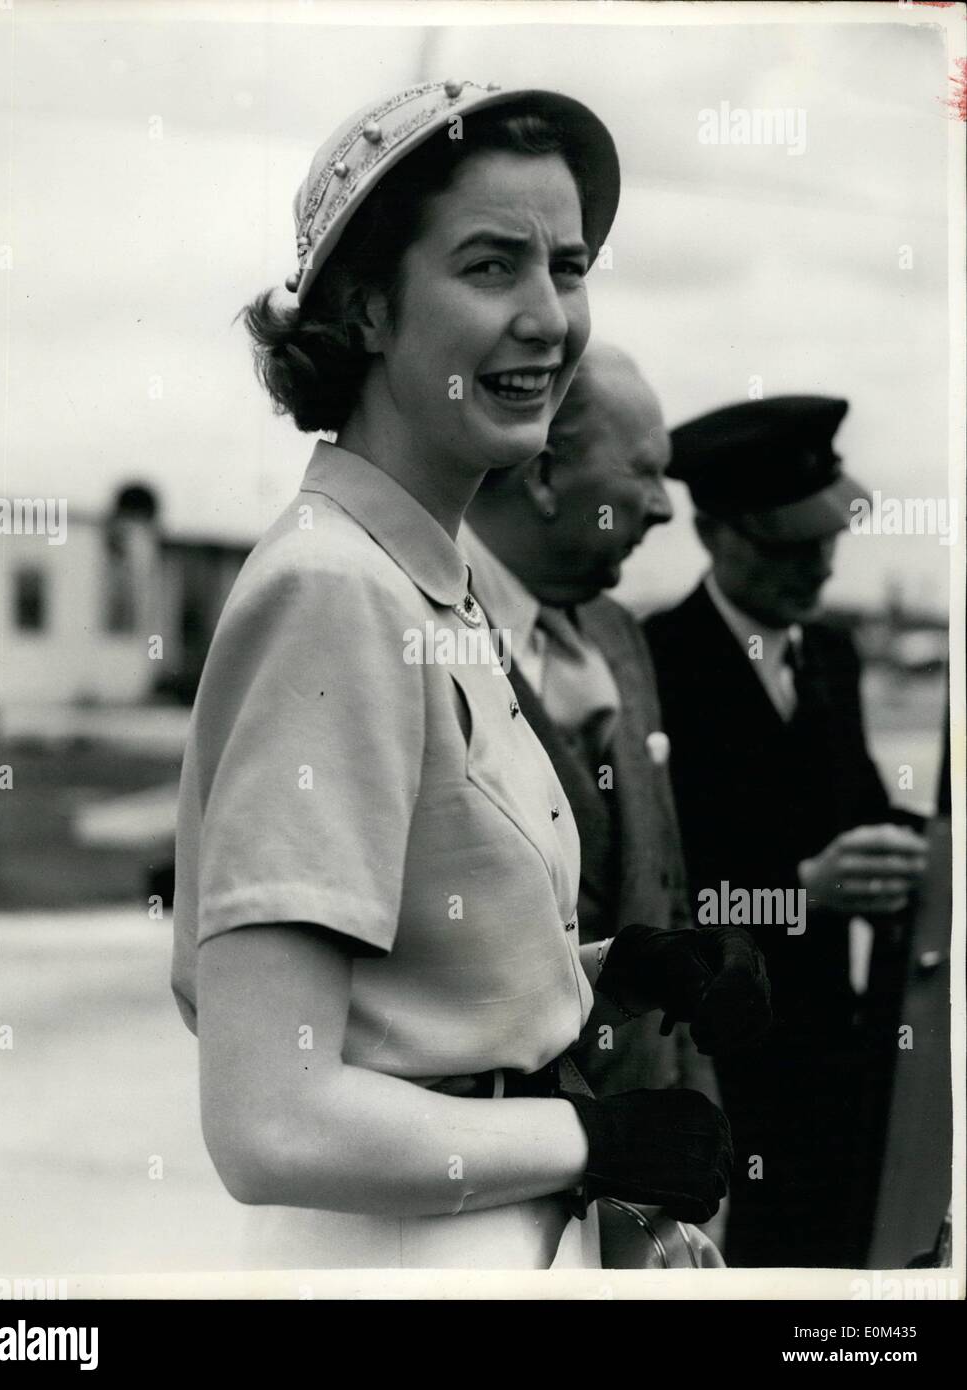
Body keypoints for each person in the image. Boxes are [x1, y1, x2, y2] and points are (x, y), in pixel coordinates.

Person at [170, 79, 734, 1271]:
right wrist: (592, 1136)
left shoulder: (421, 575)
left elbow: (410, 1000)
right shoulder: (336, 591)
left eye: (569, 268)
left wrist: (608, 977)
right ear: (369, 308)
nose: (549, 320)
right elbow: (272, 1118)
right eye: (491, 268)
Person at [462, 342, 772, 1260]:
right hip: (505, 1216)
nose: (668, 505)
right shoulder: (420, 633)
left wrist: (696, 1174)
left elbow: (657, 896)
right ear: (548, 473)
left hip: (648, 1208)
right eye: (644, 472)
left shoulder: (616, 634)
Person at [644, 395, 930, 1267]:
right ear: (713, 531)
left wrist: (920, 844)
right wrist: (807, 888)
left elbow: (867, 807)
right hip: (713, 1070)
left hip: (833, 1063)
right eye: (789, 545)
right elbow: (653, 895)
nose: (818, 568)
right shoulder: (655, 664)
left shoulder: (831, 657)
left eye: (828, 543)